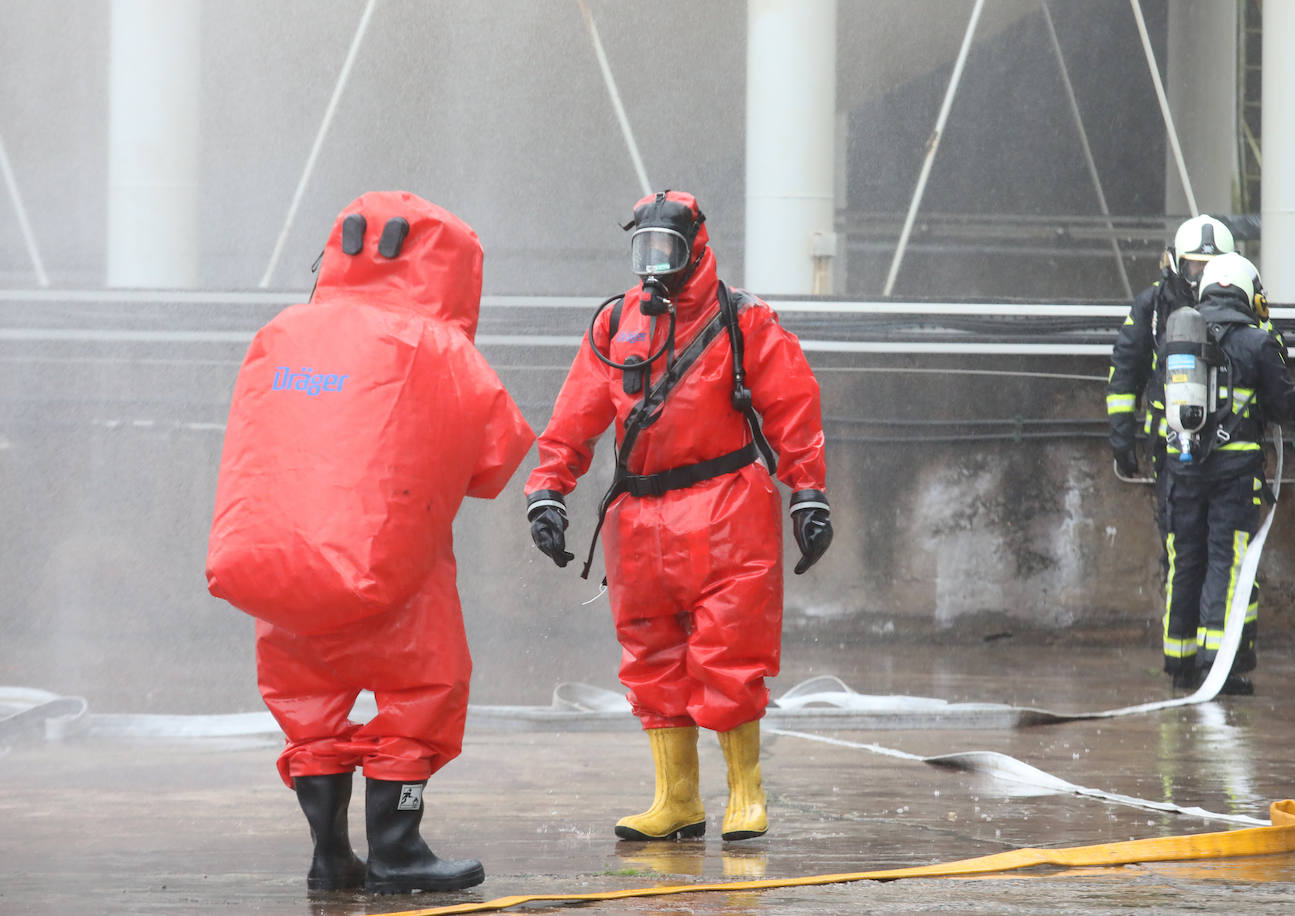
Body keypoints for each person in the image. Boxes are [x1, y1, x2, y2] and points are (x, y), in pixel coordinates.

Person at [206, 191, 533, 893]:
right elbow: (496, 464)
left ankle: (330, 857)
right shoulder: (438, 347)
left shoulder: (282, 334)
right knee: (422, 693)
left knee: (309, 710)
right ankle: (397, 852)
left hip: (281, 565)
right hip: (395, 571)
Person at [524, 190, 832, 842]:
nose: (655, 264)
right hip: (638, 512)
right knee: (651, 655)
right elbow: (575, 414)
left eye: (667, 250)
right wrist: (547, 489)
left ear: (695, 249)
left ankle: (745, 795)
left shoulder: (743, 320)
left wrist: (808, 492)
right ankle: (677, 799)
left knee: (730, 652)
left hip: (726, 505)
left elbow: (793, 410)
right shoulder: (615, 325)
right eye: (646, 250)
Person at [1156, 252, 1295, 695]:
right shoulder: (1256, 341)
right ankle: (1216, 668)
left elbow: (1158, 399)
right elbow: (1284, 406)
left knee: (1186, 561)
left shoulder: (1179, 333)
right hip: (1235, 473)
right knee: (1227, 560)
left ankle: (1179, 662)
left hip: (1182, 469)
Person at [1107, 215, 1236, 520]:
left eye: (1213, 266)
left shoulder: (1244, 307)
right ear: (1177, 262)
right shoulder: (1152, 305)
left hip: (1229, 446)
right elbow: (1124, 371)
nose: (1202, 275)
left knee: (1222, 544)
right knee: (1177, 544)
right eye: (1196, 265)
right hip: (1169, 445)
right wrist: (1121, 438)